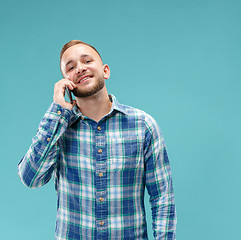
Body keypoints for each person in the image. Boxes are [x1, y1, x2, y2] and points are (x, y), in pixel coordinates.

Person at [18, 40, 177, 239]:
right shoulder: (59, 128)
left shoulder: (143, 125)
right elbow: (31, 178)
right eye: (71, 67)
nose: (80, 68)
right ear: (66, 83)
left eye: (87, 61)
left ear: (105, 71)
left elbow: (162, 197)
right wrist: (57, 112)